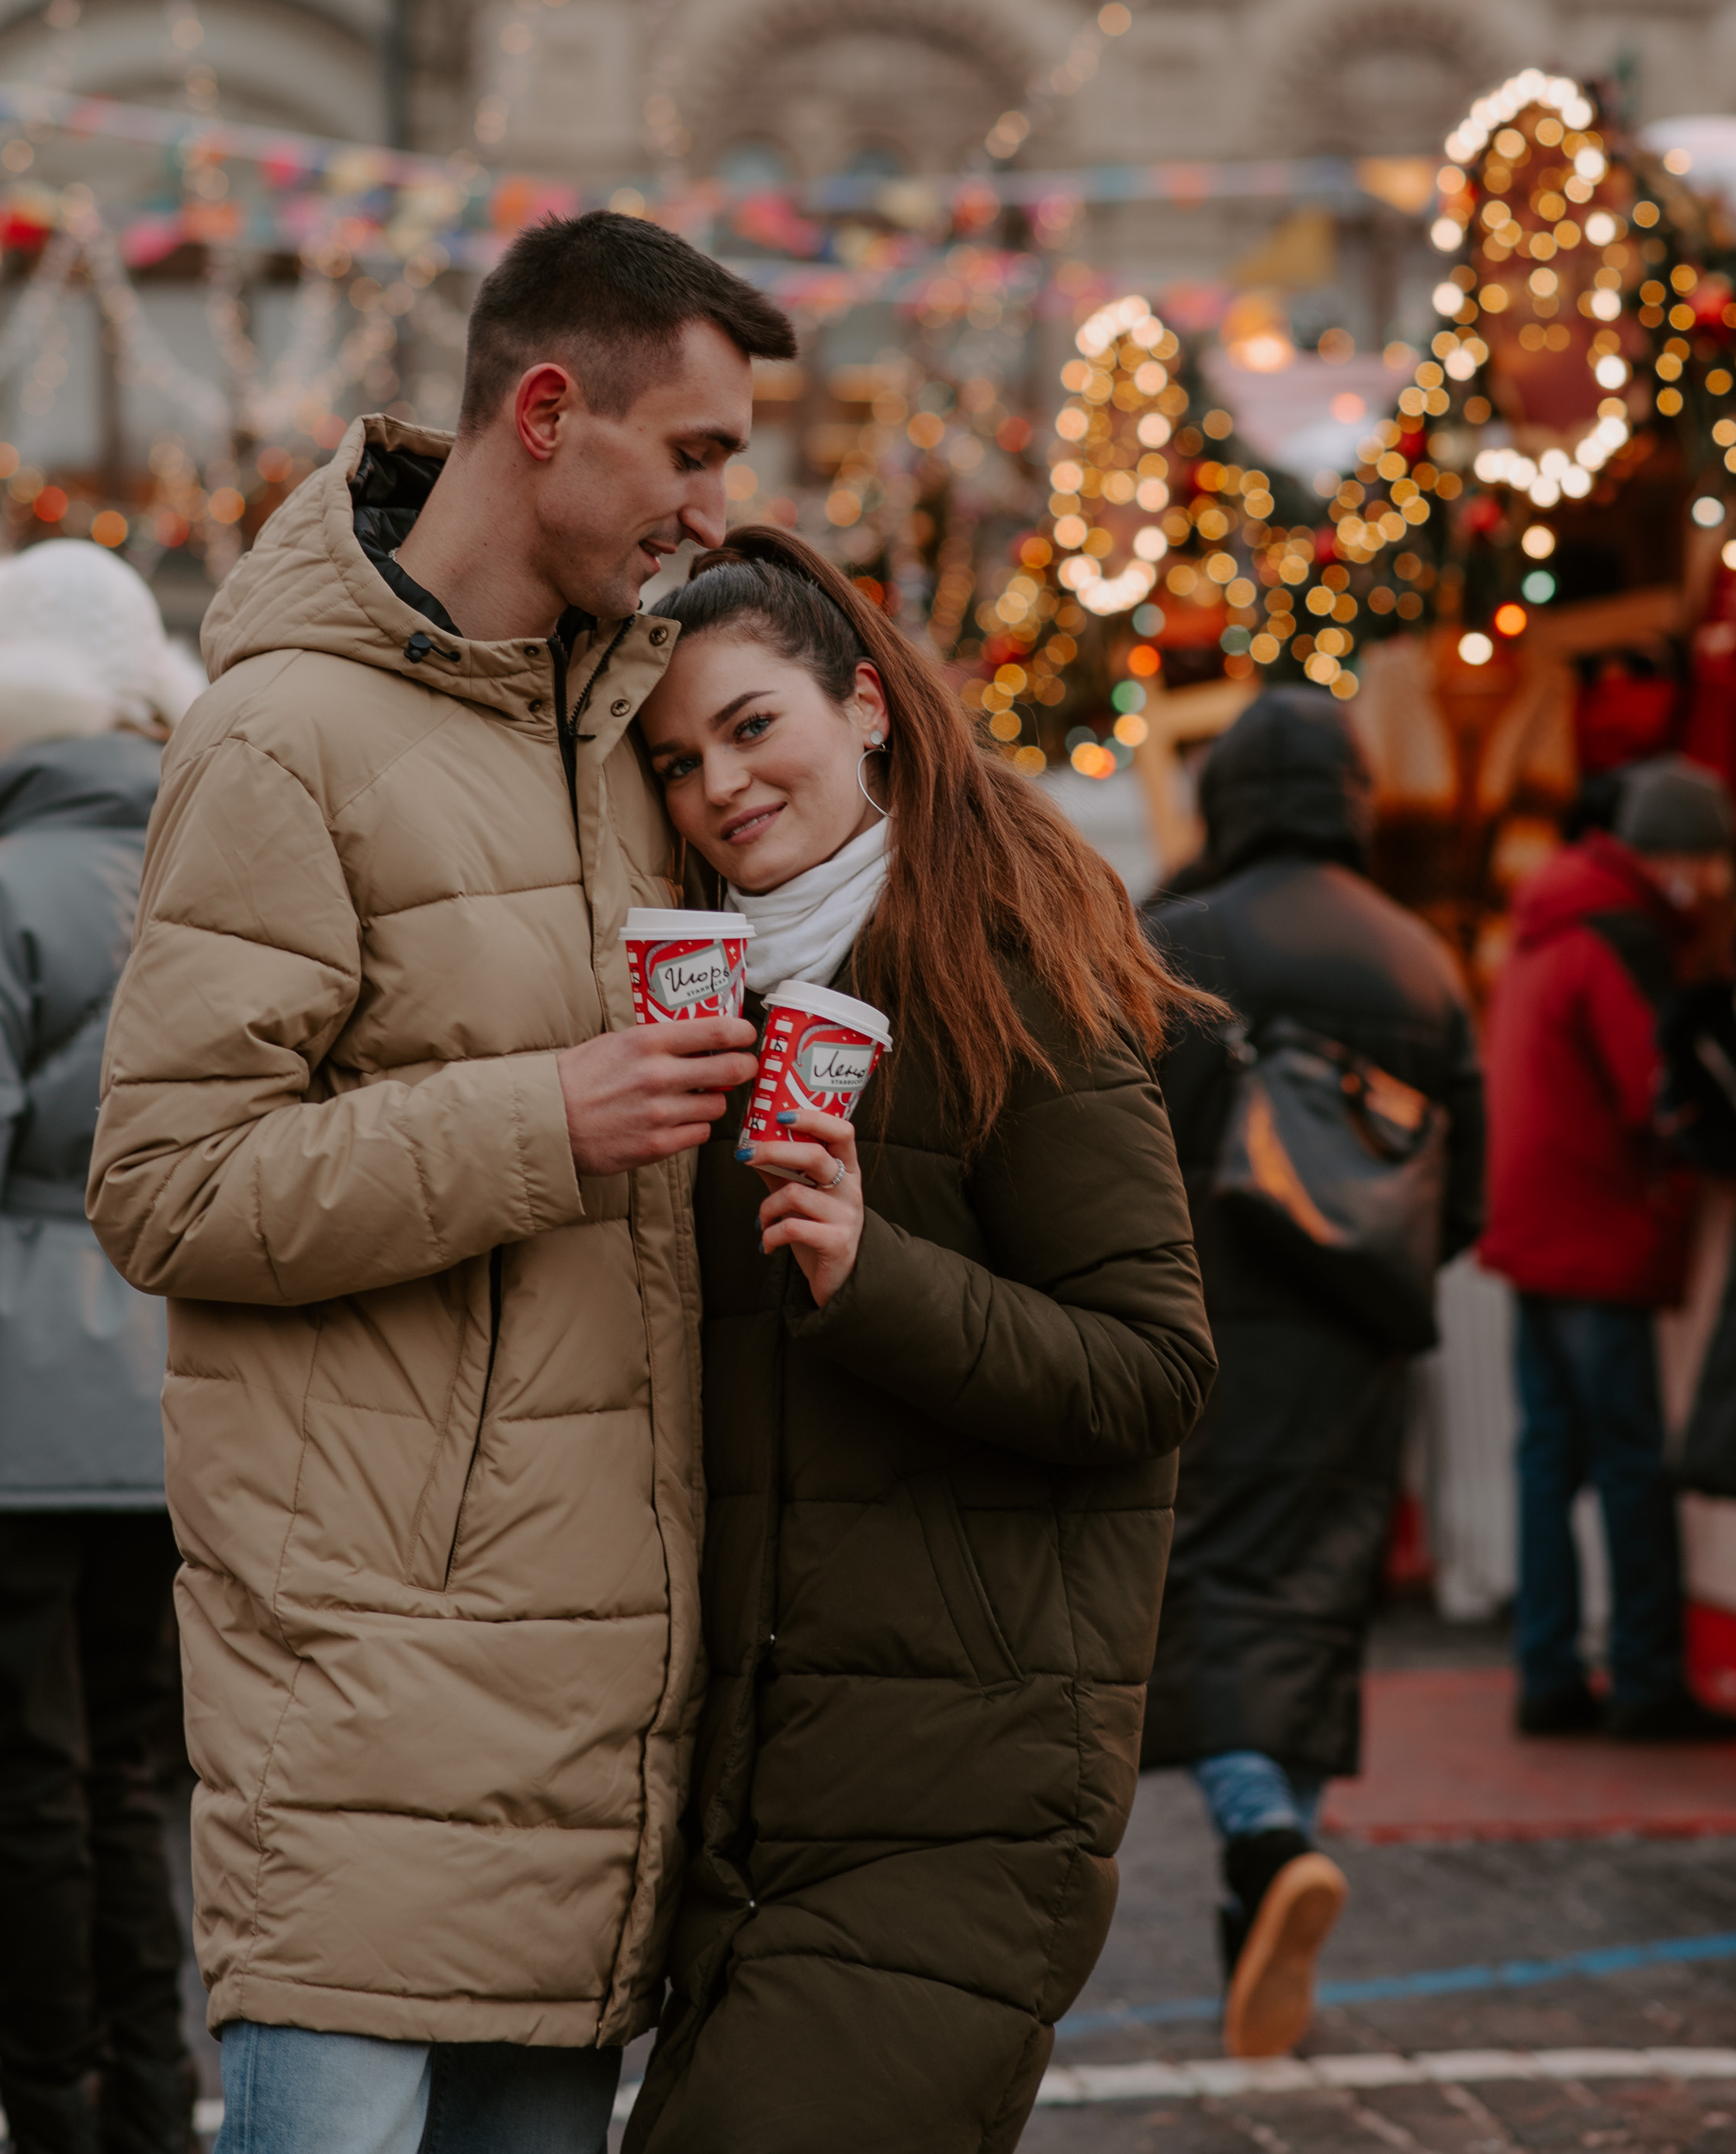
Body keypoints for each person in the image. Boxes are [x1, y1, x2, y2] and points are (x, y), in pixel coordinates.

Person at [87, 214, 797, 2154]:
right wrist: (540, 1120)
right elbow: (166, 1185)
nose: (714, 504)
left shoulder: (630, 736)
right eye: (693, 451)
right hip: (364, 1695)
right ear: (547, 415)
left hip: (594, 1713)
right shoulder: (281, 736)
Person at [621, 527, 1216, 2154]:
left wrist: (871, 1270)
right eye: (676, 761)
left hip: (964, 1797)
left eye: (753, 725)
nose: (720, 787)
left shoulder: (1005, 970)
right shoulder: (711, 1018)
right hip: (760, 1793)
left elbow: (1153, 1366)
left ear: (865, 708)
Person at [1139, 690, 1486, 2061]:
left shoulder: (1178, 940)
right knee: (1317, 1611)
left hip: (1208, 1333)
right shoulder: (1422, 960)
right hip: (1360, 1355)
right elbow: (1468, 1202)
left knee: (1208, 1595)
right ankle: (1263, 1916)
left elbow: (1113, 1161)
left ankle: (1265, 1842)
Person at [0, 539, 203, 2154]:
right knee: (141, 1787)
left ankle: (55, 2116)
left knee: (24, 1788)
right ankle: (158, 2108)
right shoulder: (213, 868)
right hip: (175, 1397)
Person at [1478, 752, 1736, 1742]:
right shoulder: (1620, 935)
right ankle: (1644, 1678)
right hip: (1595, 1227)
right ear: (1671, 853)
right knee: (1628, 1459)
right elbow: (1654, 1088)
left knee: (1548, 1457)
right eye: (1706, 859)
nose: (1710, 882)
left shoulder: (1547, 917)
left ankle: (1545, 1671)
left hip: (1533, 1226)